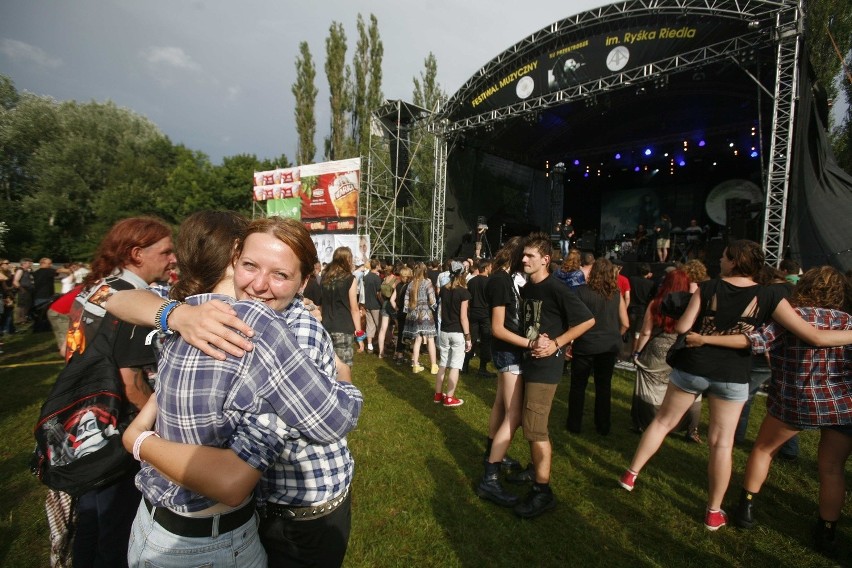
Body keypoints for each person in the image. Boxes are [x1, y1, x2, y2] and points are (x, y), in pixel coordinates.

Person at [117, 214, 363, 568]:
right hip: (254, 508)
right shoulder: (212, 307)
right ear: (234, 261)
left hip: (303, 513)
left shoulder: (296, 335)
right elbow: (110, 296)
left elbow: (333, 420)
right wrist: (174, 314)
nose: (259, 285)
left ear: (304, 281)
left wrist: (137, 440)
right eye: (250, 265)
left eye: (281, 275)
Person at [618, 240, 852, 531]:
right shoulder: (782, 301)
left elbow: (696, 331)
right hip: (756, 381)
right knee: (726, 444)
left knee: (670, 424)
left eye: (724, 257)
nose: (720, 261)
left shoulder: (711, 289)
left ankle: (634, 475)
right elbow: (797, 337)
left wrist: (704, 337)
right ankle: (717, 512)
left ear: (733, 261)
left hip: (720, 373)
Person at [685, 266, 852, 544]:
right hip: (840, 403)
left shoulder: (791, 316)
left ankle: (745, 510)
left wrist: (705, 339)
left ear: (805, 286)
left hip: (793, 400)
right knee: (832, 468)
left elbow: (755, 341)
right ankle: (827, 531)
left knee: (763, 450)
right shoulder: (848, 322)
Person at [65, 217, 176, 568]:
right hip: (118, 431)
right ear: (137, 254)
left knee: (91, 522)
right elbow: (131, 383)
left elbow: (67, 351)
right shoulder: (134, 300)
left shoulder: (94, 290)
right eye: (166, 251)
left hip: (82, 425)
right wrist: (161, 433)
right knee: (118, 530)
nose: (173, 258)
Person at [511, 232, 595, 517]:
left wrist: (558, 343)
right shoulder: (528, 288)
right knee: (528, 423)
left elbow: (587, 320)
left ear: (545, 260)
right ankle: (534, 469)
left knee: (536, 428)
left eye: (530, 255)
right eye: (523, 254)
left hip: (546, 368)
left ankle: (542, 491)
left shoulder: (556, 288)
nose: (524, 259)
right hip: (529, 363)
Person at [476, 237, 528, 508]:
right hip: (508, 352)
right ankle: (490, 478)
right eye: (526, 255)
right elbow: (498, 327)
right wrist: (529, 343)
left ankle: (493, 452)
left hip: (508, 350)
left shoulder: (504, 279)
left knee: (499, 405)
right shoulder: (500, 281)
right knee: (514, 415)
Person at [630, 269, 702, 441]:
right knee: (686, 387)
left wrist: (637, 352)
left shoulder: (656, 303)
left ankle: (646, 422)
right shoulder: (693, 303)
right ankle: (690, 427)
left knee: (650, 385)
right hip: (681, 347)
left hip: (658, 348)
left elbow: (646, 332)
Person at [566, 258, 628, 435]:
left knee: (578, 386)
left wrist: (570, 342)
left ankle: (574, 424)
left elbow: (573, 320)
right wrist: (616, 334)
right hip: (608, 346)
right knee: (603, 387)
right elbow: (626, 323)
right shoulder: (616, 294)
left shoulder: (581, 292)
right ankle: (603, 426)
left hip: (585, 345)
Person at [433, 261, 472, 407]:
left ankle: (438, 394)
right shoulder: (464, 292)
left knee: (443, 363)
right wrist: (468, 337)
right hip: (457, 332)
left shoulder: (443, 289)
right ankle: (449, 397)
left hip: (444, 330)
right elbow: (463, 317)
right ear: (462, 274)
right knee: (455, 365)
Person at [319, 247, 363, 367]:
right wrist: (359, 334)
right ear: (347, 259)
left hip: (326, 326)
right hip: (344, 327)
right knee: (344, 368)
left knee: (328, 366)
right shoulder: (349, 279)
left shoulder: (325, 279)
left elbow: (321, 305)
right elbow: (354, 308)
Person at [463, 259, 496, 377]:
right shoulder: (490, 282)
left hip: (473, 313)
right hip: (485, 314)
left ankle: (465, 365)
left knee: (471, 339)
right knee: (486, 340)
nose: (491, 268)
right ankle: (482, 368)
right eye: (490, 266)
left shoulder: (471, 281)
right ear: (486, 267)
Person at [403, 263, 439, 374]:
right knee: (430, 339)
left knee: (417, 340)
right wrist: (435, 308)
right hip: (426, 313)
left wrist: (407, 311)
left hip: (414, 313)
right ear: (424, 271)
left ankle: (415, 364)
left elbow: (406, 301)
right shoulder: (427, 283)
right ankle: (433, 366)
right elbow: (432, 299)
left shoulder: (410, 284)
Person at [391, 266, 413, 365]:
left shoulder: (398, 285)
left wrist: (396, 308)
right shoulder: (410, 286)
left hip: (400, 312)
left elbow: (392, 300)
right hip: (407, 313)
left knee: (400, 334)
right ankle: (403, 355)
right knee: (407, 335)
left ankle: (398, 354)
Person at [361, 259, 383, 353]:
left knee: (370, 325)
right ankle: (380, 344)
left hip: (367, 304)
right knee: (380, 326)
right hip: (376, 305)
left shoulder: (366, 277)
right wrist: (382, 302)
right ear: (377, 266)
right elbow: (378, 293)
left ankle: (370, 346)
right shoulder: (377, 278)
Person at [12, 257, 34, 325]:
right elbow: (15, 281)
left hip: (28, 290)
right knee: (21, 305)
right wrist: (21, 289)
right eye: (29, 263)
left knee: (27, 305)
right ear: (24, 263)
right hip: (23, 290)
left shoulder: (27, 271)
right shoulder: (20, 270)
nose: (30, 264)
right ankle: (19, 320)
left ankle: (24, 318)